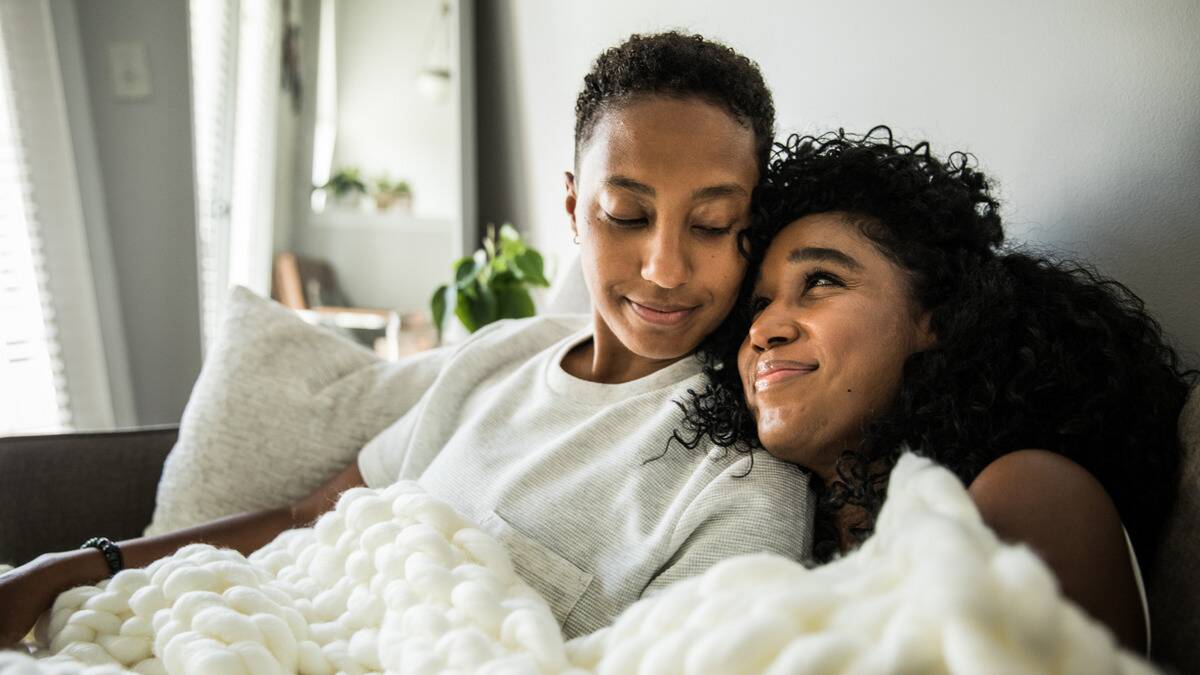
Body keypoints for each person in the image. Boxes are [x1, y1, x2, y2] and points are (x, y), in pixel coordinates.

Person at [0, 32, 814, 647]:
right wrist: (65, 567)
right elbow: (312, 513)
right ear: (572, 207)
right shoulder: (502, 354)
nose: (665, 266)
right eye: (627, 215)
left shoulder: (741, 479)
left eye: (711, 224)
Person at [680, 127, 1195, 655]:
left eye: (821, 281)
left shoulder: (1028, 490)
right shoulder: (758, 532)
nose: (763, 330)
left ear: (938, 320)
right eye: (757, 306)